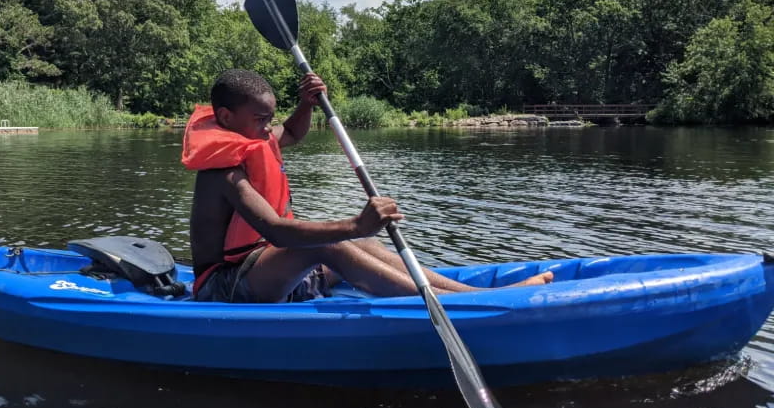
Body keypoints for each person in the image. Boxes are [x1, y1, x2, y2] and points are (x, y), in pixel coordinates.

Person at [182, 69, 553, 303]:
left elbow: (293, 131)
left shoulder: (256, 139)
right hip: (225, 287)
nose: (268, 127)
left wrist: (307, 102)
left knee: (365, 244)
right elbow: (276, 232)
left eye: (270, 118)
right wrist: (355, 223)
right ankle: (458, 305)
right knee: (336, 242)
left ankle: (477, 296)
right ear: (226, 116)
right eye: (260, 119)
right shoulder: (222, 171)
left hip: (267, 273)